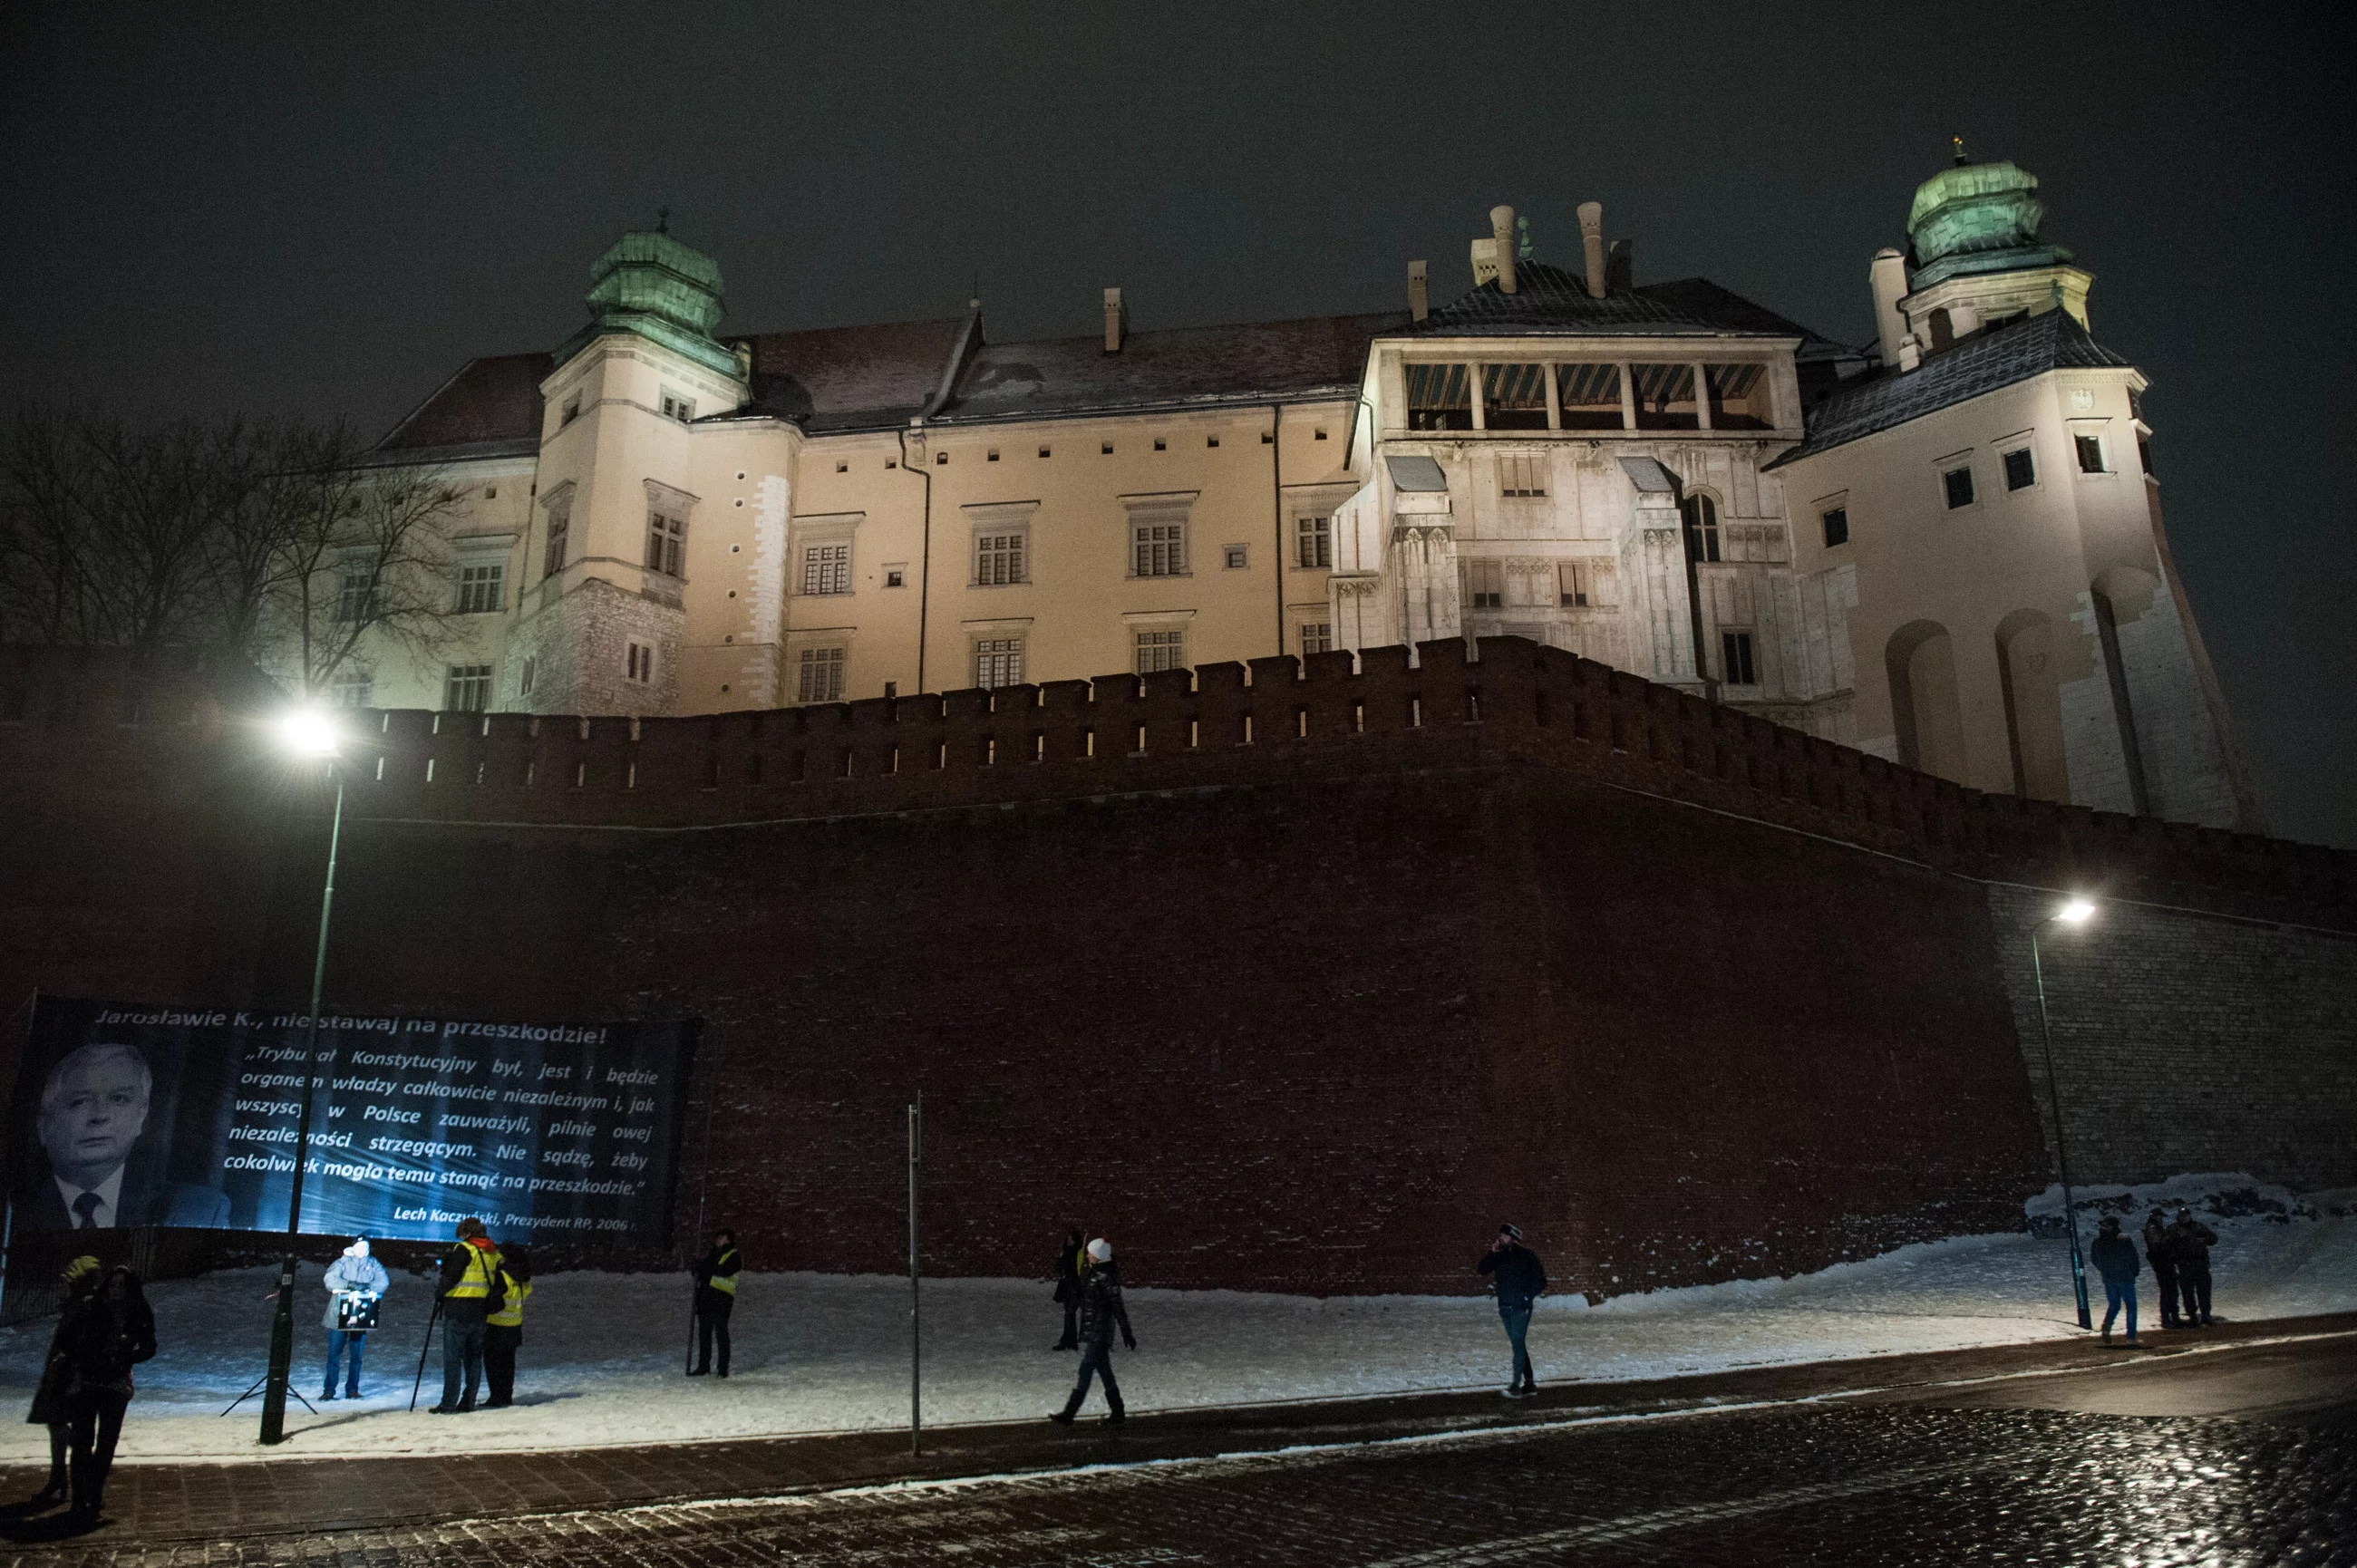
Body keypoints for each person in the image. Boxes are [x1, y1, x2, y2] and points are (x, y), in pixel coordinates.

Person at [16, 1041, 229, 1231]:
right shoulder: (16, 1211)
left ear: (142, 1114)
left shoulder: (199, 1210)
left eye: (119, 1099)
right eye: (80, 1101)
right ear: (44, 1126)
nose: (99, 1116)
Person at [51, 1263, 155, 1524]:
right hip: (88, 1380)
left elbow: (149, 1345)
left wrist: (127, 1356)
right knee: (83, 1441)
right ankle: (79, 1497)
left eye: (122, 1285)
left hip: (116, 1383)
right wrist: (82, 1357)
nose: (116, 1289)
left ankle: (94, 1492)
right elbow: (67, 1337)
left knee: (107, 1442)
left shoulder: (139, 1310)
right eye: (113, 1284)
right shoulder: (92, 1307)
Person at [21, 1256, 101, 1510]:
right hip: (63, 1372)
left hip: (70, 1375)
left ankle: (80, 1474)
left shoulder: (85, 1307)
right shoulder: (76, 1305)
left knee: (62, 1423)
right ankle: (64, 1476)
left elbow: (81, 1344)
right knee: (56, 1422)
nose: (62, 1287)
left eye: (67, 1282)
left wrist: (72, 1368)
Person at [1051, 1237, 1135, 1426]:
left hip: (1100, 1331)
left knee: (1086, 1369)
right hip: (1096, 1329)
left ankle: (1069, 1414)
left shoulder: (1105, 1277)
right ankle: (1118, 1411)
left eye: (1090, 1252)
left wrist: (1126, 1332)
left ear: (1098, 1256)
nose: (1087, 1255)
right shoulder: (1096, 1273)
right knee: (1105, 1372)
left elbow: (1117, 1306)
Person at [430, 1216, 502, 1413]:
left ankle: (448, 1403)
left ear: (466, 1233)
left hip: (458, 1309)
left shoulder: (464, 1249)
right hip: (480, 1311)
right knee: (474, 1358)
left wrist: (440, 1291)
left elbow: (451, 1276)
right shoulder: (492, 1251)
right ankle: (468, 1401)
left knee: (453, 1358)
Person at [1477, 1222, 1548, 1398]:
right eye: (1501, 1235)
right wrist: (1492, 1253)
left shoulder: (1526, 1256)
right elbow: (1482, 1269)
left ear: (1513, 1238)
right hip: (1505, 1307)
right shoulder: (1499, 1256)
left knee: (1517, 1344)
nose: (1501, 1238)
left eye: (1505, 1236)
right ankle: (1530, 1384)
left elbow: (1541, 1281)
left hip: (1520, 1308)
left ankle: (1516, 1385)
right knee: (1519, 1345)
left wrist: (1526, 1297)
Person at [321, 1236, 390, 1400]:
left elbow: (383, 1282)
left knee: (356, 1357)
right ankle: (329, 1390)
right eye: (359, 1246)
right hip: (339, 1315)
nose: (363, 1249)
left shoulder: (373, 1264)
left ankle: (352, 1389)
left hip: (361, 1316)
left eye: (365, 1246)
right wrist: (349, 1286)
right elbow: (330, 1280)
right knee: (334, 1355)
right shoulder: (342, 1263)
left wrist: (366, 1288)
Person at [482, 1245, 533, 1409]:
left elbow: (492, 1297)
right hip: (514, 1326)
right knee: (508, 1364)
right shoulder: (523, 1278)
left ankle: (496, 1397)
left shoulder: (502, 1276)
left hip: (496, 1325)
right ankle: (506, 1396)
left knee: (493, 1364)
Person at [690, 1229, 740, 1378]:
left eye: (721, 1237)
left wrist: (703, 1268)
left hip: (722, 1299)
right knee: (704, 1333)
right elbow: (703, 1273)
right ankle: (703, 1366)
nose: (718, 1240)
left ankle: (722, 1368)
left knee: (721, 1332)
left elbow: (723, 1271)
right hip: (706, 1297)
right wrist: (696, 1268)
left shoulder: (733, 1255)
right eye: (717, 1237)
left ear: (728, 1239)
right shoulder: (712, 1255)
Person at [2090, 1215, 2142, 1345]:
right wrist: (2134, 1271)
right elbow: (2133, 1258)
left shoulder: (2098, 1241)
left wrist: (2104, 1270)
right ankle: (2130, 1337)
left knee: (2114, 1305)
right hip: (2125, 1277)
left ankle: (2107, 1326)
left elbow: (2095, 1259)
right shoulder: (2124, 1240)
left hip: (2109, 1278)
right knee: (2131, 1307)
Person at [2171, 1205, 2219, 1326]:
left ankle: (2206, 1315)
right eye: (2182, 1215)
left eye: (2186, 1215)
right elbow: (2167, 1244)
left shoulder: (2198, 1227)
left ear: (2190, 1216)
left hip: (2200, 1264)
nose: (2184, 1218)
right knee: (2188, 1293)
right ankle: (2192, 1315)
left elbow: (2213, 1238)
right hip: (2184, 1265)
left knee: (2204, 1292)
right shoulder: (2174, 1229)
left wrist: (2203, 1240)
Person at [2141, 1208, 2181, 1330]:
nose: (2161, 1219)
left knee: (2170, 1291)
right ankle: (2168, 1318)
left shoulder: (2154, 1228)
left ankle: (2172, 1317)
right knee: (2167, 1291)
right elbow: (2158, 1245)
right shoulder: (2153, 1229)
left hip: (2164, 1263)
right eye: (2159, 1216)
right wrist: (2169, 1239)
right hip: (2162, 1263)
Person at [1052, 1227, 1085, 1350]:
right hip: (1066, 1286)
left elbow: (1080, 1271)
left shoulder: (1079, 1253)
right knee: (1068, 1314)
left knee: (1069, 1314)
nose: (1069, 1241)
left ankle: (1068, 1341)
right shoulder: (1065, 1253)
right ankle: (1069, 1341)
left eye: (1072, 1239)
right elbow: (1059, 1269)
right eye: (1068, 1239)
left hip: (1075, 1287)